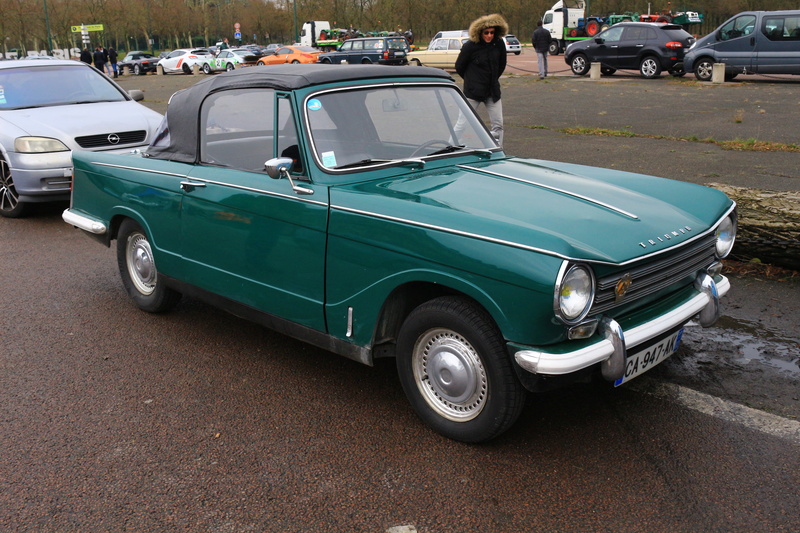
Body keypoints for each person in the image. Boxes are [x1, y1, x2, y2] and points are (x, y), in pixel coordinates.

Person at [455, 14, 508, 146]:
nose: (489, 35)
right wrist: (472, 81)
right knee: (462, 124)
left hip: (493, 91)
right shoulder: (470, 46)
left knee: (498, 125)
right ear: (480, 32)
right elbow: (459, 66)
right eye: (486, 33)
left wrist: (493, 79)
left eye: (492, 32)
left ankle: (498, 150)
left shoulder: (499, 44)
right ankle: (451, 147)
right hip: (473, 92)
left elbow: (502, 64)